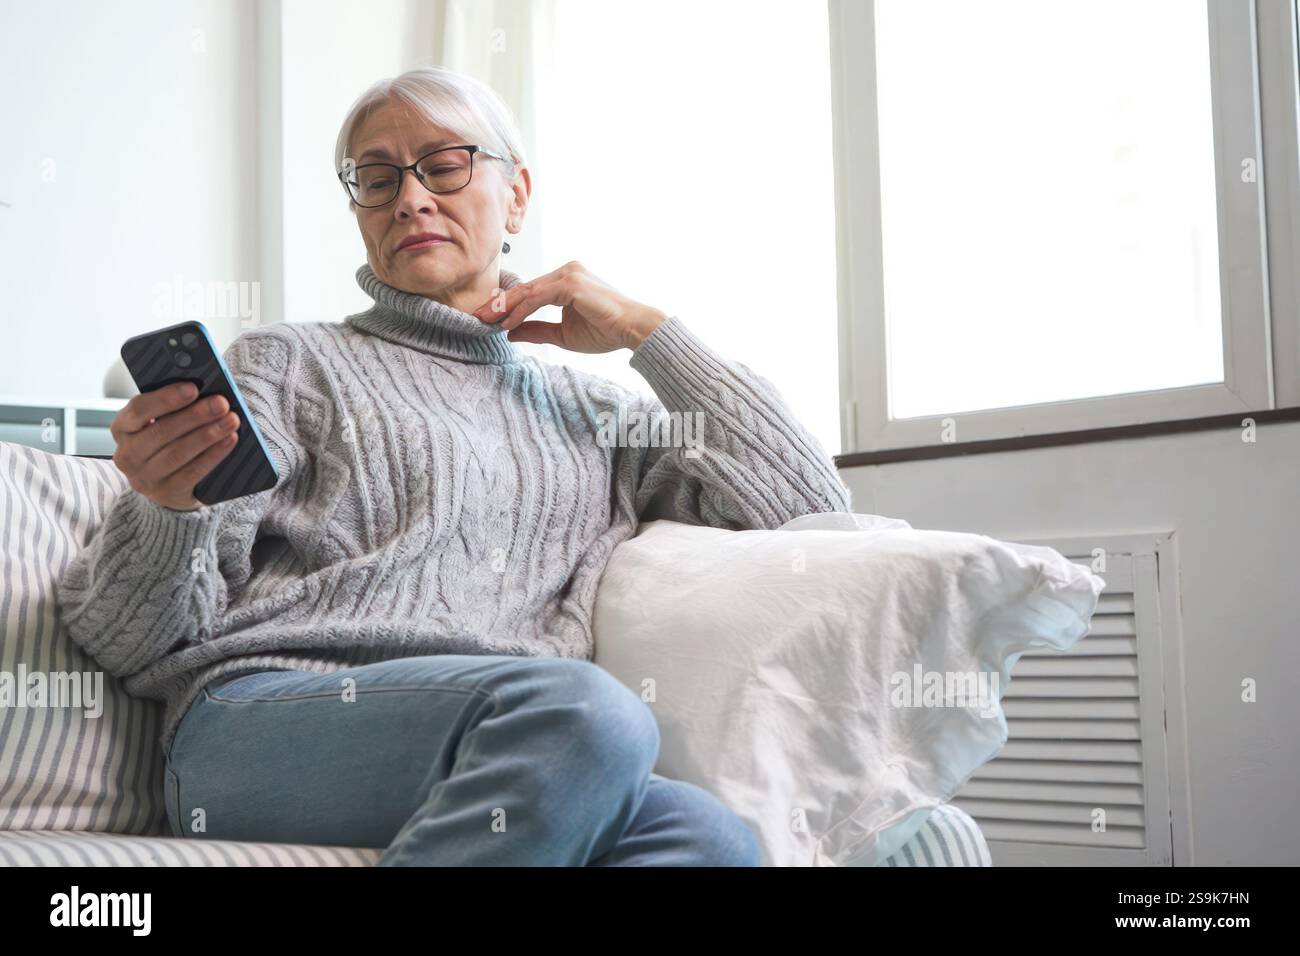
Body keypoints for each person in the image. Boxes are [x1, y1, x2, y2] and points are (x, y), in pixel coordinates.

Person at [55, 65, 852, 866]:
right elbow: (122, 637)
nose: (410, 198)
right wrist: (167, 511)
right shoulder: (289, 363)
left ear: (517, 195)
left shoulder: (595, 414)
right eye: (376, 178)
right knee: (587, 715)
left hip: (516, 744)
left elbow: (809, 508)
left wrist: (650, 333)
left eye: (443, 166)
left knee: (710, 838)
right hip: (262, 726)